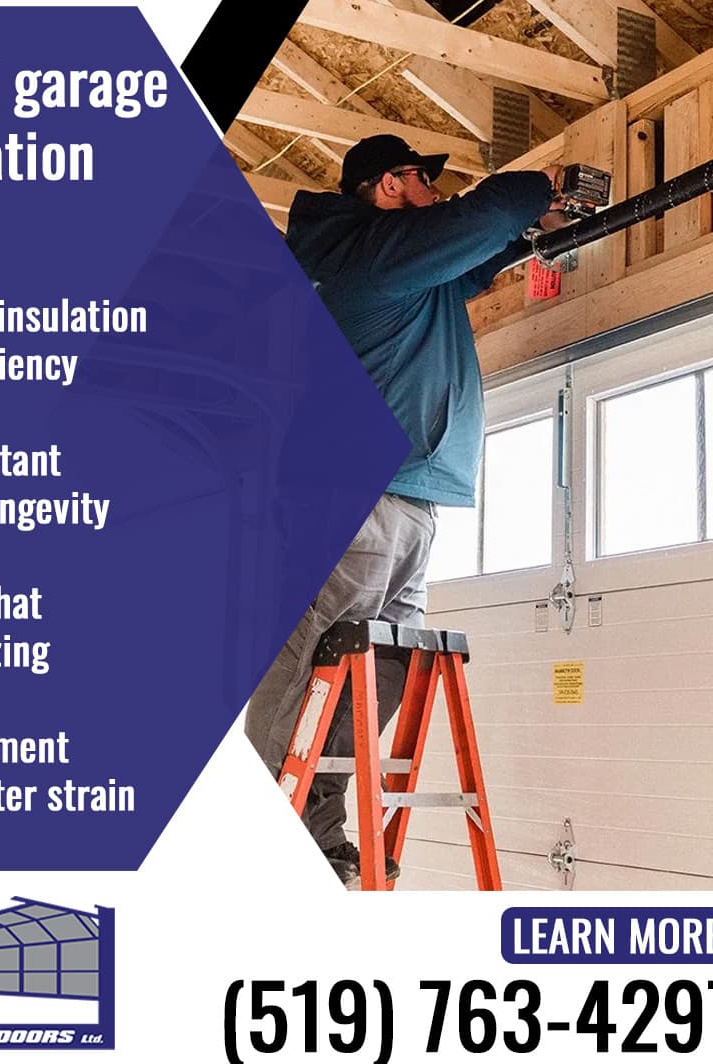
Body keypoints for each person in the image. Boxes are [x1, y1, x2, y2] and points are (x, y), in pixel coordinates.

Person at [245, 134, 565, 888]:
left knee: (372, 679)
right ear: (390, 185)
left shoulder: (405, 269)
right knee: (308, 669)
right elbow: (482, 216)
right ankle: (262, 840)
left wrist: (532, 233)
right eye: (425, 181)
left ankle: (317, 836)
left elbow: (474, 257)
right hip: (357, 494)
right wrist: (540, 189)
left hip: (411, 497)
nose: (437, 195)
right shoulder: (369, 254)